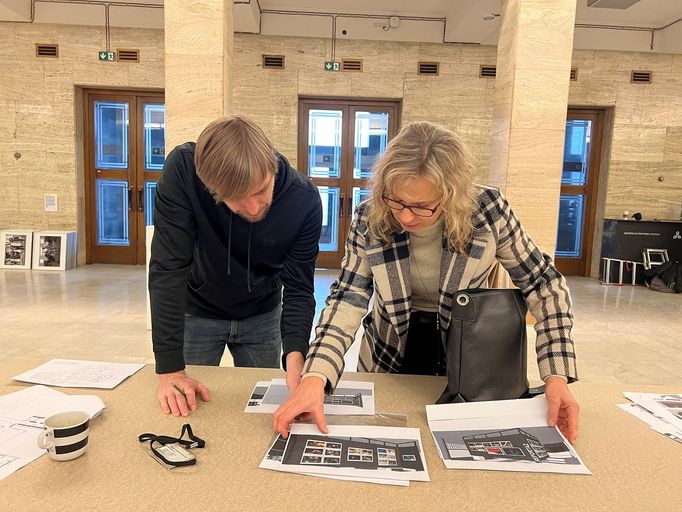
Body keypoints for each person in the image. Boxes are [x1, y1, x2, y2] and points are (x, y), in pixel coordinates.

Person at [274, 121, 580, 443]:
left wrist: (556, 376)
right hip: (389, 349)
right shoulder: (370, 216)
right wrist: (316, 376)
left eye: (421, 207)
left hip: (467, 347)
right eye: (397, 200)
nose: (405, 217)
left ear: (452, 196)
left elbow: (545, 284)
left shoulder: (488, 211)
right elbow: (347, 297)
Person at [150, 115, 322, 417]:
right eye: (236, 199)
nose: (254, 209)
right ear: (211, 188)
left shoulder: (303, 199)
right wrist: (170, 370)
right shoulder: (183, 171)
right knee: (186, 411)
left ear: (272, 165)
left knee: (262, 413)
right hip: (197, 309)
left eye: (260, 190)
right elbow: (168, 267)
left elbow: (298, 287)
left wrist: (296, 355)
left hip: (262, 313)